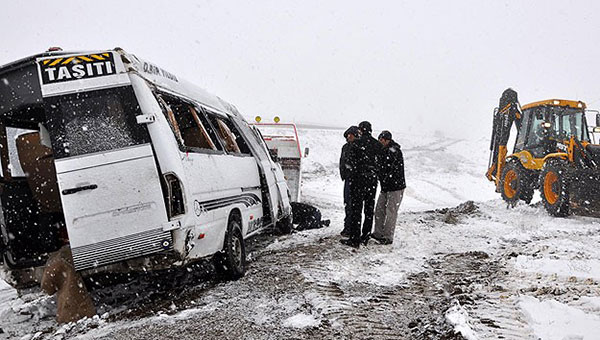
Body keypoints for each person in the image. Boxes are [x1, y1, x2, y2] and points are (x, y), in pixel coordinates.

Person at [340, 121, 382, 248]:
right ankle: (366, 235)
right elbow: (380, 163)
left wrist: (351, 176)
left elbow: (350, 163)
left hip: (358, 180)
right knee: (369, 209)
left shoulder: (356, 144)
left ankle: (355, 238)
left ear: (361, 130)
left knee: (356, 209)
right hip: (372, 180)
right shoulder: (377, 144)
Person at [372, 130, 406, 245]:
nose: (380, 142)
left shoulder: (395, 151)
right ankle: (378, 233)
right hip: (385, 187)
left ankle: (388, 236)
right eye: (379, 139)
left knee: (391, 211)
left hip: (395, 187)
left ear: (388, 140)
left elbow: (388, 169)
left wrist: (382, 175)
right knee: (379, 210)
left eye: (382, 140)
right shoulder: (382, 151)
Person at [339, 125, 360, 237]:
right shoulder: (345, 147)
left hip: (355, 179)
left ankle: (351, 228)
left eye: (350, 135)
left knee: (353, 204)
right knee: (348, 203)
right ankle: (348, 227)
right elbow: (342, 161)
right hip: (348, 179)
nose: (348, 137)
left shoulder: (357, 147)